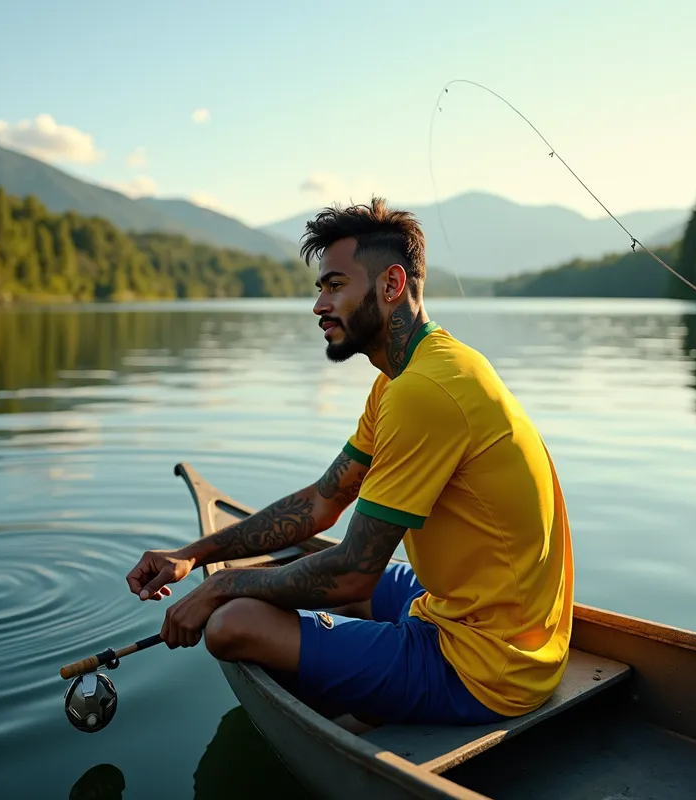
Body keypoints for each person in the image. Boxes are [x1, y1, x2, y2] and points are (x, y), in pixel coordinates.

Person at [125, 197, 574, 726]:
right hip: (480, 617)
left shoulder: (423, 392)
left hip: (486, 669)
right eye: (320, 288)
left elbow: (353, 574)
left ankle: (352, 699)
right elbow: (321, 502)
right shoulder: (412, 375)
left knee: (231, 624)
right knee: (300, 583)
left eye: (335, 285)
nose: (319, 305)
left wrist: (222, 585)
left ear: (392, 285)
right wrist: (193, 555)